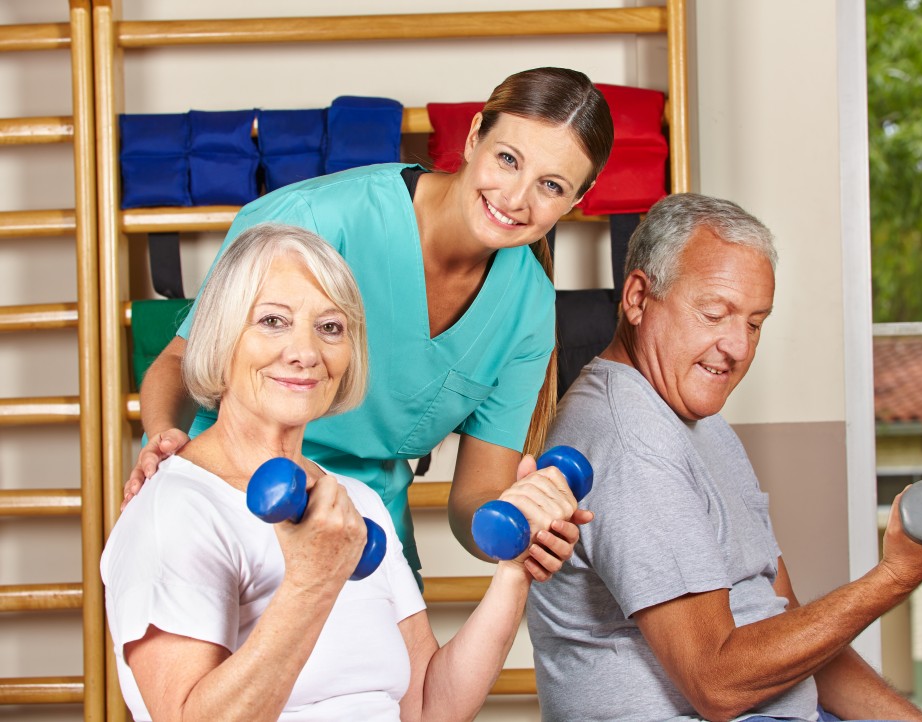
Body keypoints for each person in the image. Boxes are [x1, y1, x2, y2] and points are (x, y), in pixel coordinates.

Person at [124, 66, 612, 577]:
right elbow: (181, 360)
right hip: (233, 500)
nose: (515, 199)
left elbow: (476, 493)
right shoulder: (314, 220)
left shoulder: (529, 305)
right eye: (507, 159)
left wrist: (517, 528)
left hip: (367, 535)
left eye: (551, 186)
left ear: (579, 198)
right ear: (474, 137)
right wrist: (163, 443)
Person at [102, 223, 583, 721]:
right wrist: (311, 584)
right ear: (221, 339)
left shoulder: (353, 501)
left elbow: (426, 707)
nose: (306, 353)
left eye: (330, 327)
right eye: (272, 321)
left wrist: (513, 573)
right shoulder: (175, 508)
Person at [526, 193, 922, 722]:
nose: (737, 347)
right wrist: (895, 576)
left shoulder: (697, 416)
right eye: (715, 314)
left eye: (755, 323)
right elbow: (717, 684)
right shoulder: (629, 439)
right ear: (639, 298)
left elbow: (790, 627)